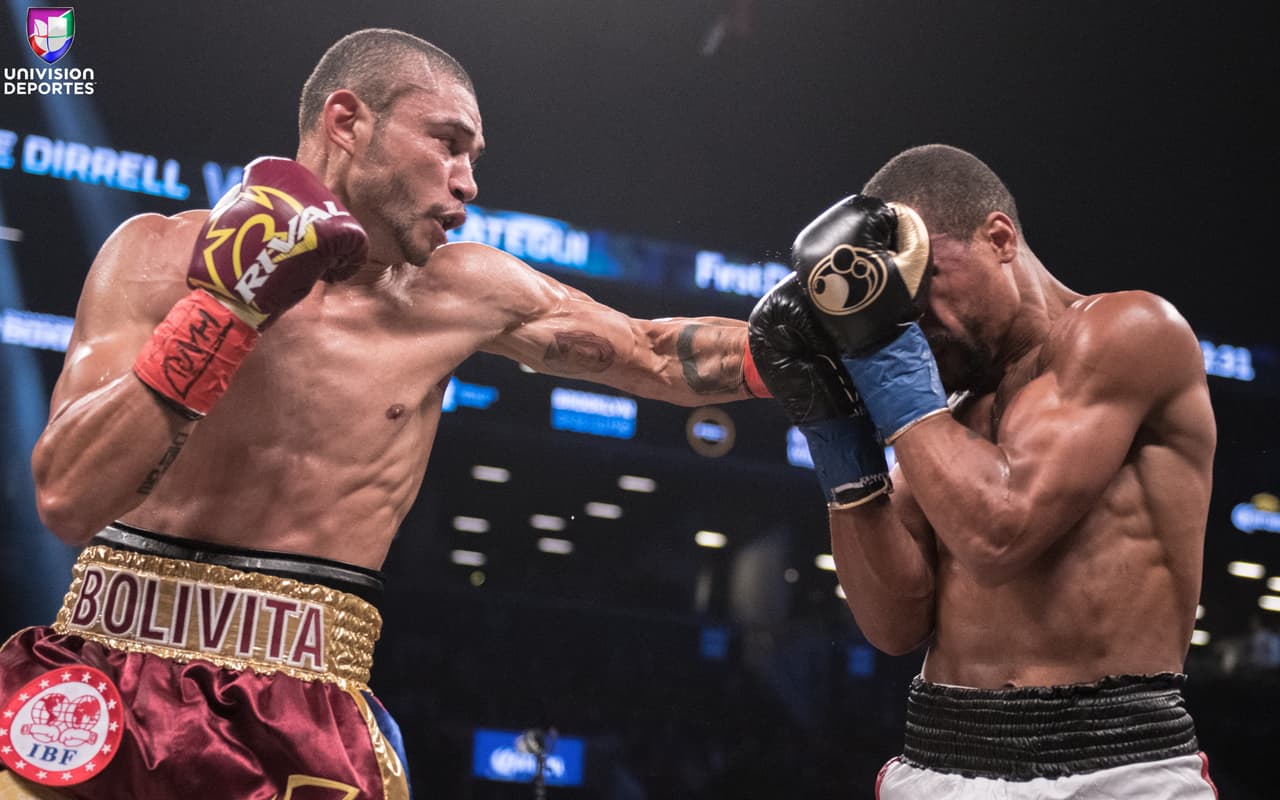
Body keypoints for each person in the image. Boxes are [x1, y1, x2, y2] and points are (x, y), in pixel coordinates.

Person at [0, 28, 770, 799]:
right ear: (347, 120)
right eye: (449, 143)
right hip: (103, 675)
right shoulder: (154, 256)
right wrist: (222, 308)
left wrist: (823, 346)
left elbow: (656, 354)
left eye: (475, 158)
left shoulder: (465, 293)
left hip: (301, 702)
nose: (467, 181)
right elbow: (67, 498)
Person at [748, 144, 1219, 798]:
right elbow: (892, 626)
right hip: (935, 765)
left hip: (1114, 773)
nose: (905, 319)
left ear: (998, 238)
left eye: (921, 282)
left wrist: (888, 364)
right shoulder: (945, 422)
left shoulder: (1129, 330)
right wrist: (840, 436)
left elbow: (1001, 532)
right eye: (889, 301)